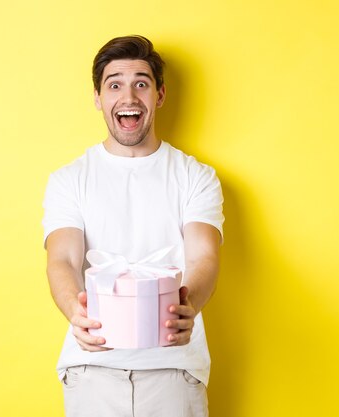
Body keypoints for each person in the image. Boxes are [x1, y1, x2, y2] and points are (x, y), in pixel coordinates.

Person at [42, 35, 224, 417]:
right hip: (92, 369)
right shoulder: (69, 179)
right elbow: (62, 258)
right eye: (114, 85)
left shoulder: (196, 176)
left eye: (141, 83)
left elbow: (204, 255)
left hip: (174, 369)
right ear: (98, 98)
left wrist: (189, 304)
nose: (129, 97)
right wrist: (76, 312)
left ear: (159, 95)